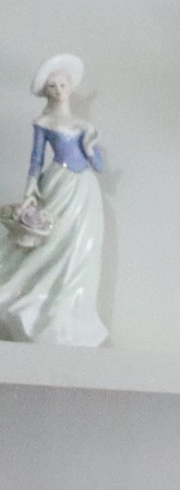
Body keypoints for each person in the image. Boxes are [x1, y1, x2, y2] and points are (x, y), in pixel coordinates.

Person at [0, 54, 106, 346]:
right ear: (46, 91)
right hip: (57, 183)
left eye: (62, 84)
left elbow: (98, 166)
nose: (59, 90)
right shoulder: (44, 122)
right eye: (52, 86)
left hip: (84, 188)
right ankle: (36, 302)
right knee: (51, 239)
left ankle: (69, 308)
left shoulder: (83, 125)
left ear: (70, 87)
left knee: (81, 242)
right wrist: (30, 192)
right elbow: (35, 160)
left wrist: (90, 144)